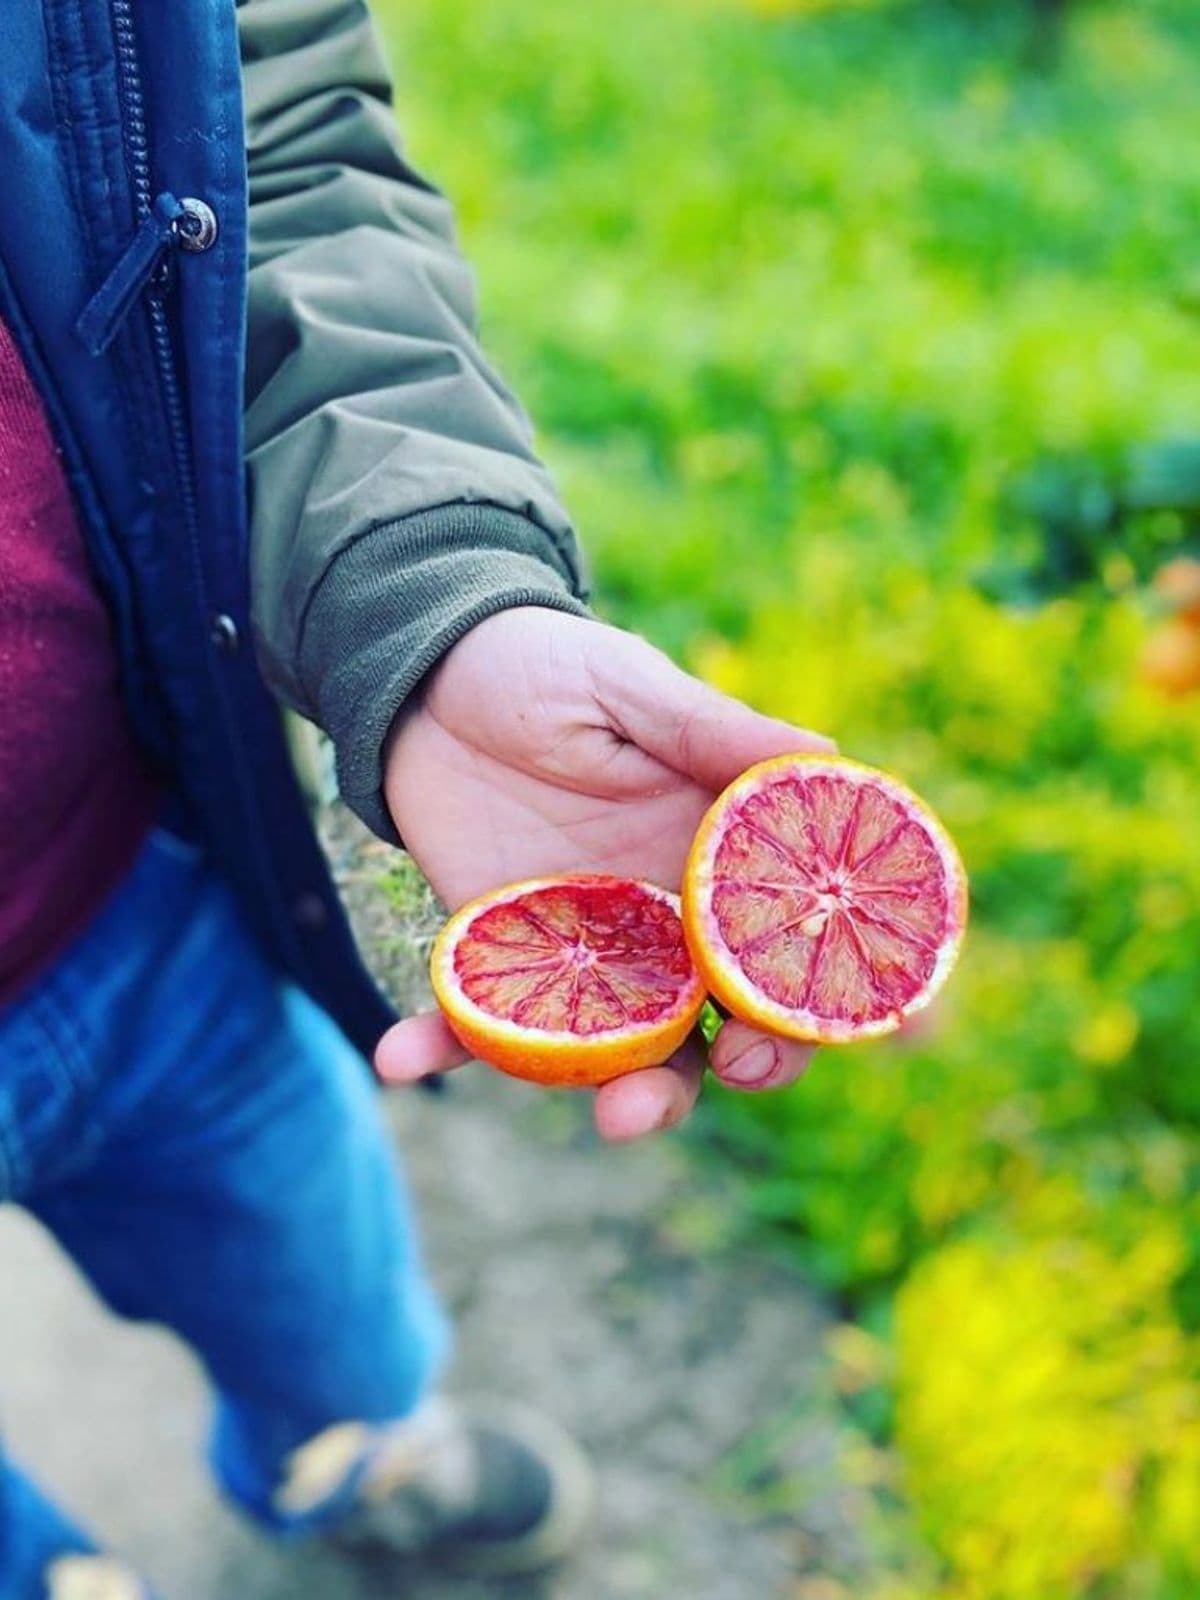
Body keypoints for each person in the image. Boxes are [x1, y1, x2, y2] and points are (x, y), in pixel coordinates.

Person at [0, 0, 829, 1594]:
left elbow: (259, 147)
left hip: (137, 914)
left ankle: (354, 1456)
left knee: (326, 1297)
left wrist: (427, 605)